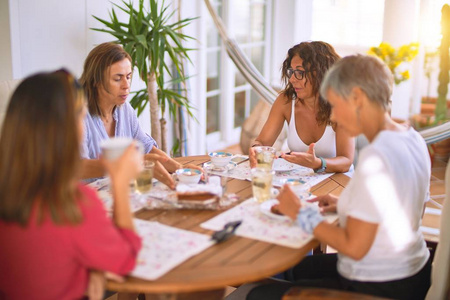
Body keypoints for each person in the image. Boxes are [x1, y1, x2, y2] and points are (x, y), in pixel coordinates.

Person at [247, 55, 432, 300]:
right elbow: (412, 211)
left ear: (356, 98)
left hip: (378, 285)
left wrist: (299, 212)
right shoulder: (412, 138)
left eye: (334, 105)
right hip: (412, 272)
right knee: (288, 268)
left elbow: (353, 247)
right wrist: (346, 204)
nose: (332, 117)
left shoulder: (377, 157)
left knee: (258, 294)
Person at [0, 70, 142, 299]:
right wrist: (119, 182)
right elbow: (127, 260)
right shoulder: (74, 204)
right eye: (81, 116)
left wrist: (89, 272)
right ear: (66, 130)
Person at [79, 42, 199, 189]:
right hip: (87, 201)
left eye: (128, 77)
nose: (126, 85)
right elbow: (79, 167)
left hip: (119, 193)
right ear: (96, 82)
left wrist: (181, 169)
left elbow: (147, 148)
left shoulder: (125, 110)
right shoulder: (78, 116)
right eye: (117, 79)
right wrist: (132, 163)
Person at [249, 41, 354, 173]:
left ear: (321, 74)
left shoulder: (342, 106)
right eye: (291, 72)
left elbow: (346, 161)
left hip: (338, 182)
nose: (292, 79)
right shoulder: (285, 102)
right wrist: (256, 149)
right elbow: (262, 142)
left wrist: (318, 163)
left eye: (299, 72)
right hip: (302, 180)